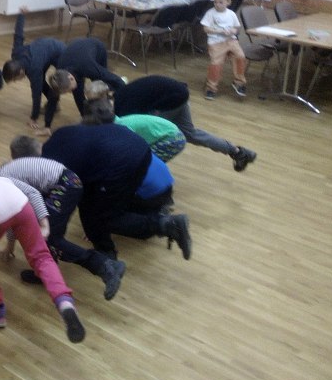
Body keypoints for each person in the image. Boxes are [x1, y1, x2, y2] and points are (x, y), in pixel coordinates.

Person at [0, 169, 85, 343]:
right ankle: (65, 303)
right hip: (19, 202)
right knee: (42, 256)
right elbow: (28, 195)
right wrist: (43, 223)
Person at [42, 100, 192, 260]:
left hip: (150, 192)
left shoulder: (57, 165)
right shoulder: (83, 136)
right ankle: (107, 253)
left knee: (105, 218)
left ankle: (166, 225)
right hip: (157, 177)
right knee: (92, 210)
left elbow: (65, 203)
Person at [0, 136, 126, 300]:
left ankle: (105, 265)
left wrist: (43, 226)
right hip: (67, 182)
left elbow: (30, 198)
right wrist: (10, 246)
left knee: (50, 236)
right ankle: (45, 272)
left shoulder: (3, 180)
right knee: (48, 235)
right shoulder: (7, 174)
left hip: (64, 184)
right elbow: (15, 216)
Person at [104, 75, 256, 171]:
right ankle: (238, 152)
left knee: (152, 138)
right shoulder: (118, 97)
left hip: (171, 99)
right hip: (178, 92)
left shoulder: (123, 112)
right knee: (191, 134)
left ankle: (152, 181)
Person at [1, 7, 66, 135]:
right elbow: (18, 35)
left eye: (15, 79)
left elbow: (36, 95)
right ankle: (54, 104)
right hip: (44, 50)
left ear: (21, 72)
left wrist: (33, 117)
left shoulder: (33, 69)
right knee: (40, 83)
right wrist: (21, 15)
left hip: (59, 52)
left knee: (58, 83)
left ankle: (54, 105)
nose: (17, 81)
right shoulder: (16, 54)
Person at [85, 81, 186, 162]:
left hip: (172, 138)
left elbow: (129, 145)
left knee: (144, 161)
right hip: (168, 132)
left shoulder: (122, 123)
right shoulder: (118, 118)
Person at [47, 36, 126, 127]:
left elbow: (116, 80)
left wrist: (121, 94)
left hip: (97, 47)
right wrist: (47, 125)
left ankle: (106, 115)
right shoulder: (59, 74)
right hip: (78, 54)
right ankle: (87, 120)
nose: (69, 92)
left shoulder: (89, 68)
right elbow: (53, 98)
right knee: (78, 93)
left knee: (100, 86)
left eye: (69, 90)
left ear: (71, 78)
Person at [200, 0, 248, 99]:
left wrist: (232, 31)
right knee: (216, 64)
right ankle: (211, 88)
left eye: (221, 2)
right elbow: (206, 29)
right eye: (215, 2)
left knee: (240, 57)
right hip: (215, 42)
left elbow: (236, 28)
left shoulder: (231, 14)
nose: (217, 4)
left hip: (231, 40)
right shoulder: (210, 13)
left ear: (228, 2)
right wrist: (220, 31)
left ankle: (239, 83)